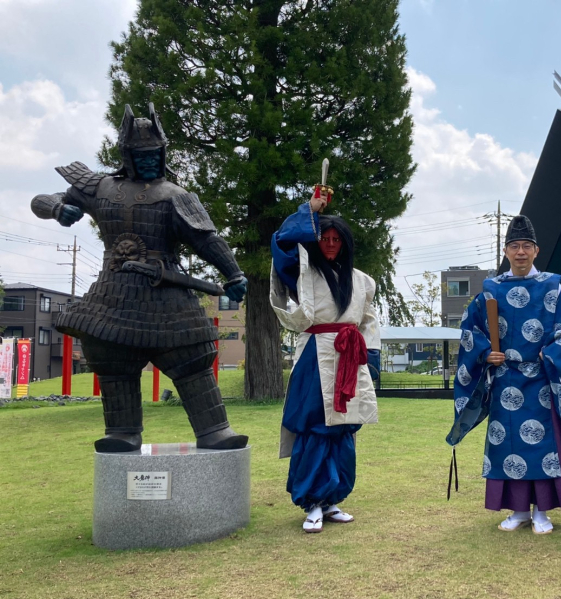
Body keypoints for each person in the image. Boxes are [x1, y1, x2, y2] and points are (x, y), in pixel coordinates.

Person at [30, 104, 248, 452]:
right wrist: (59, 209)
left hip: (166, 290)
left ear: (162, 154)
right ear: (126, 155)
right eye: (139, 155)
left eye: (153, 155)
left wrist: (233, 272)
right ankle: (122, 431)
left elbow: (206, 238)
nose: (147, 161)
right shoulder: (98, 187)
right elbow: (43, 199)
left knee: (192, 356)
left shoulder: (174, 195)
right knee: (110, 356)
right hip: (113, 292)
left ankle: (214, 430)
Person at [447, 215, 561, 535]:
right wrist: (484, 352)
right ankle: (518, 511)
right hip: (505, 380)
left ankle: (542, 511)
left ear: (536, 251)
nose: (520, 252)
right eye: (514, 246)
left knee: (543, 448)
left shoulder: (554, 290)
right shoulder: (490, 290)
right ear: (505, 251)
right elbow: (469, 329)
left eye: (526, 246)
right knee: (508, 446)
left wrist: (553, 353)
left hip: (542, 382)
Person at [270, 185, 380, 533]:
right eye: (325, 238)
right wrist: (310, 211)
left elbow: (369, 321)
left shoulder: (362, 281)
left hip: (351, 357)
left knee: (345, 428)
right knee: (315, 426)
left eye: (337, 239)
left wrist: (371, 359)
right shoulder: (303, 275)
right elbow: (283, 245)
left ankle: (332, 500)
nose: (331, 244)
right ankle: (311, 502)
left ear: (345, 243)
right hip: (315, 357)